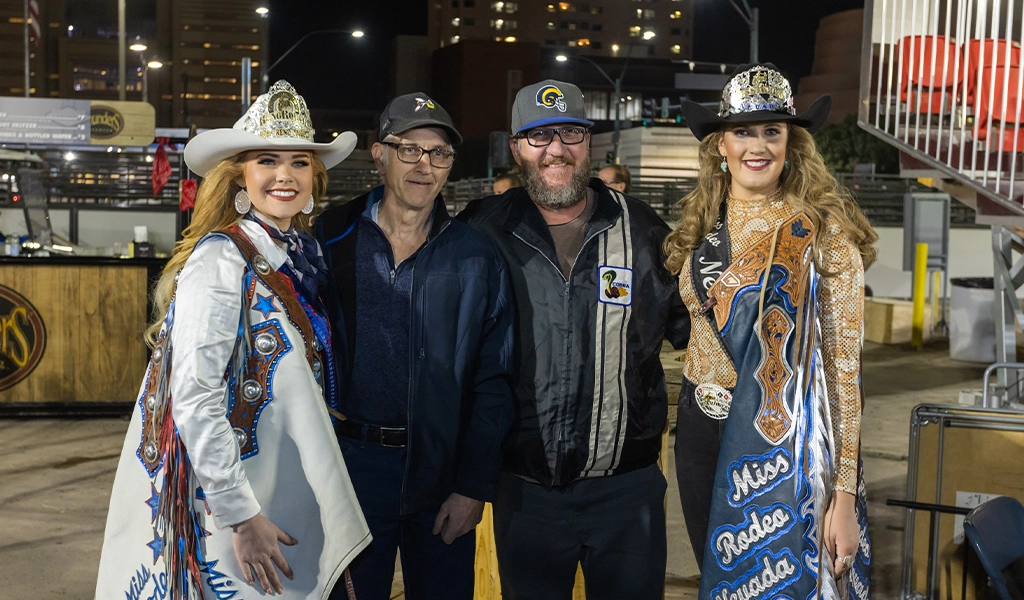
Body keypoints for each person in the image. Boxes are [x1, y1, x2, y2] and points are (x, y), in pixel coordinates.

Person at [95, 80, 370, 600]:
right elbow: (194, 395)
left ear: (315, 177)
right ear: (241, 175)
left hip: (275, 484)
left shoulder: (296, 254)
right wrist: (241, 517)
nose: (285, 175)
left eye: (299, 162)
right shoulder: (222, 259)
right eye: (267, 161)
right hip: (236, 505)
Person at [459, 79, 690, 600]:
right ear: (516, 147)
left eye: (570, 133)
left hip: (627, 493)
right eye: (539, 136)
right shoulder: (482, 230)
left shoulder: (643, 229)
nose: (556, 149)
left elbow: (697, 333)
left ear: (590, 142)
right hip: (524, 494)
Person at [666, 63, 875, 599]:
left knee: (781, 584)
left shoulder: (823, 234)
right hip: (698, 431)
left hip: (778, 439)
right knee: (722, 580)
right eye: (742, 131)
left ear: (790, 144)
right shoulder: (699, 226)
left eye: (771, 131)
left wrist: (844, 496)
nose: (757, 146)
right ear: (720, 144)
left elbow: (844, 372)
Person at [313, 92, 515, 600]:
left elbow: (494, 379)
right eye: (409, 149)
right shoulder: (330, 238)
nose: (424, 165)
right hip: (351, 467)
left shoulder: (474, 255)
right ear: (379, 155)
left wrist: (472, 487)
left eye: (439, 153)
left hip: (441, 469)